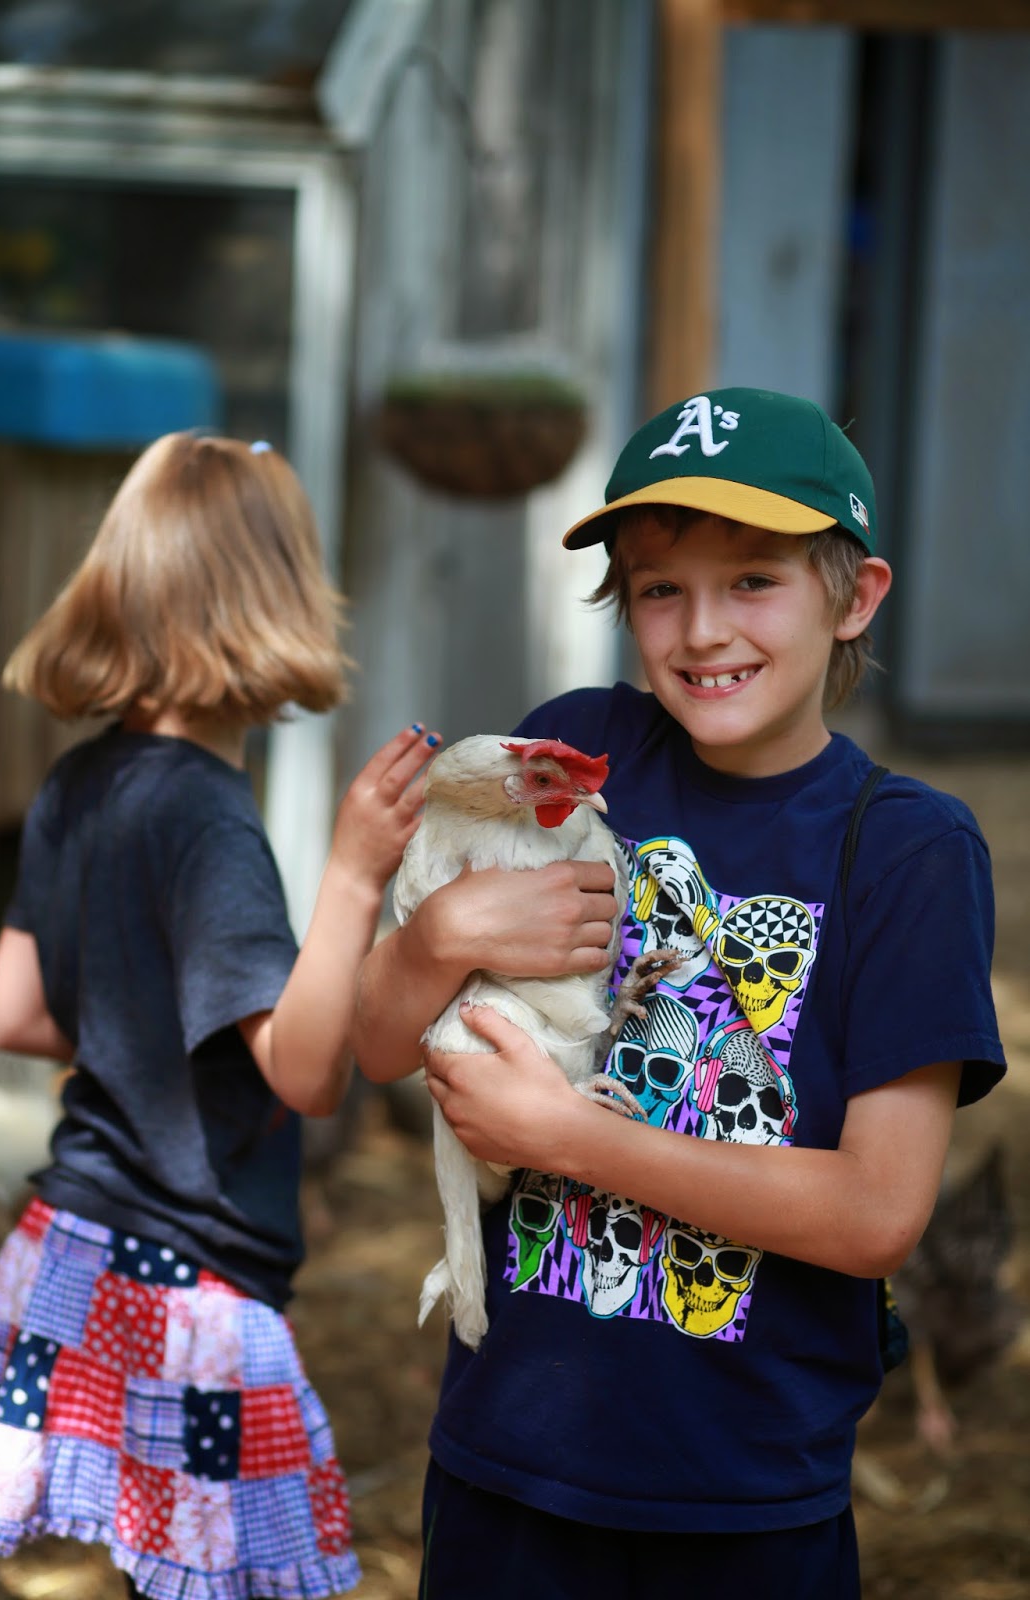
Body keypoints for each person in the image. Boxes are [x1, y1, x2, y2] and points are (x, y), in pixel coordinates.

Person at [351, 388, 1006, 1600]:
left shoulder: (906, 852)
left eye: (752, 580)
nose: (702, 631)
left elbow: (875, 1214)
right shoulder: (573, 749)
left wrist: (568, 1138)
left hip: (742, 1504)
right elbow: (382, 1043)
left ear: (854, 596)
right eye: (660, 588)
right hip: (506, 1471)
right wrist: (437, 936)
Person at [0, 432, 440, 1600]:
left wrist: (143, 1028)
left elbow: (12, 1011)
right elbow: (305, 1074)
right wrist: (352, 875)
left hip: (69, 1246)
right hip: (185, 1283)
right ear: (279, 598)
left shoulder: (79, 781)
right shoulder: (215, 821)